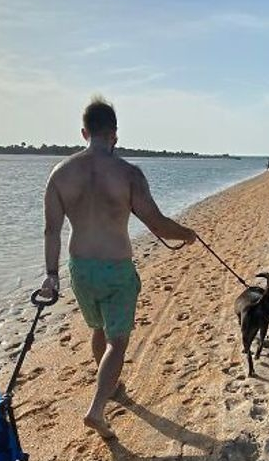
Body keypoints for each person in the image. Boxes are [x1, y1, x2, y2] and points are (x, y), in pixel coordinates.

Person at [38, 97, 197, 440]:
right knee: (118, 341)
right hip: (116, 268)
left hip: (79, 267)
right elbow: (156, 222)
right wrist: (187, 234)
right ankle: (97, 408)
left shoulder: (60, 174)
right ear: (114, 135)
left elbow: (51, 230)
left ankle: (109, 384)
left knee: (98, 329)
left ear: (84, 132)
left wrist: (51, 275)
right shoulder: (128, 173)